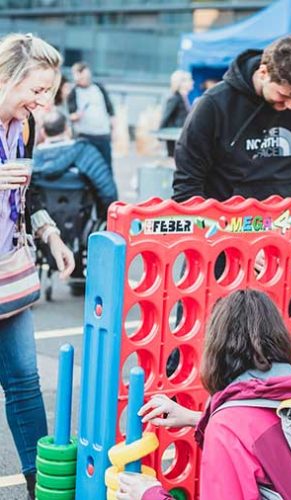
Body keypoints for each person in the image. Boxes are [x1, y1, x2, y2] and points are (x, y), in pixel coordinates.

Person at [116, 289, 291, 500]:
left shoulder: (228, 428)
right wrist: (197, 419)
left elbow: (244, 431)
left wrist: (149, 494)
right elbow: (269, 435)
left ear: (216, 349)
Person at [0, 33, 75, 499]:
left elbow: (30, 191)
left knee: (26, 381)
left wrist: (50, 235)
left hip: (8, 272)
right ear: (6, 77)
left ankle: (38, 485)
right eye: (37, 90)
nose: (43, 102)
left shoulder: (24, 126)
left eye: (50, 91)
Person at [172, 35, 291, 202]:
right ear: (263, 73)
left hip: (285, 221)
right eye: (283, 95)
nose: (290, 105)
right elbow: (188, 181)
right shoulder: (214, 104)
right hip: (225, 219)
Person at [33, 110, 118, 220]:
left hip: (41, 226)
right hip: (81, 226)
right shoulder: (87, 153)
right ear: (68, 130)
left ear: (43, 132)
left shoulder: (32, 159)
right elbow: (108, 192)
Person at [67, 61, 115, 170]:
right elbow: (70, 115)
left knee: (106, 166)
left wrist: (114, 129)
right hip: (85, 136)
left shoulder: (99, 88)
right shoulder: (73, 92)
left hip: (103, 134)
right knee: (86, 166)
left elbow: (110, 109)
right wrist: (77, 116)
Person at [159, 70, 193, 157]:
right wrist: (160, 134)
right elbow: (166, 116)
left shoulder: (184, 98)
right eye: (189, 80)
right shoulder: (174, 98)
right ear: (181, 83)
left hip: (181, 136)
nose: (192, 82)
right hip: (174, 136)